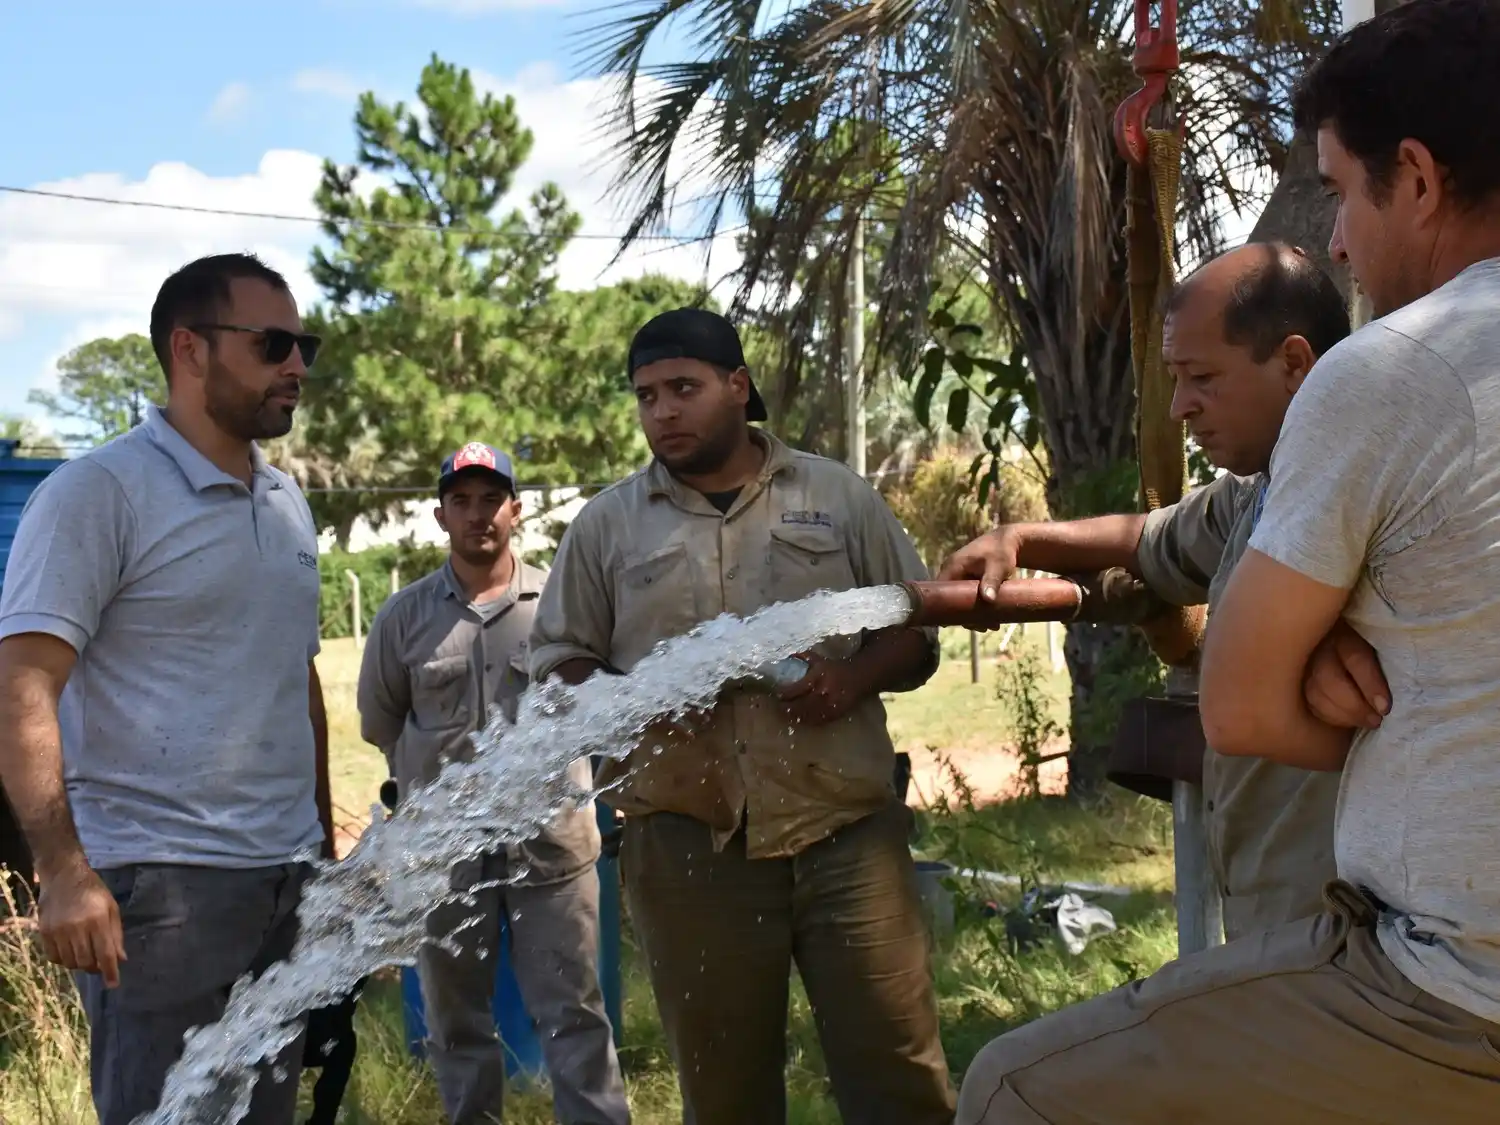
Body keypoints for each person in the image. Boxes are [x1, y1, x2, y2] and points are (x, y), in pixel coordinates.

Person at [955, 2, 1500, 1120]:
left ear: (1418, 178)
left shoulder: (1394, 371)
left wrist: (1313, 678)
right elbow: (1164, 540)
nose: (1342, 240)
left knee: (1014, 1087)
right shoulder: (1265, 492)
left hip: (1440, 980)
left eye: (1345, 192)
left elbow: (1238, 711)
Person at [528, 308, 957, 1125]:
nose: (663, 412)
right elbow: (559, 659)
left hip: (845, 831)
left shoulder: (836, 498)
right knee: (725, 1092)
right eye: (646, 396)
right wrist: (632, 698)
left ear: (738, 386)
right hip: (688, 841)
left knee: (900, 1075)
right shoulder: (607, 525)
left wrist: (851, 677)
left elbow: (918, 632)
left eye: (683, 388)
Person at [941, 241, 1376, 942]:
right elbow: (1149, 536)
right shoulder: (1253, 498)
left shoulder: (1374, 504)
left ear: (1295, 364)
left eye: (1201, 377)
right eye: (1175, 379)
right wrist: (1020, 539)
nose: (1179, 408)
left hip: (1348, 923)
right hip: (1271, 914)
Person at [0, 252, 332, 1125]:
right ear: (189, 349)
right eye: (272, 343)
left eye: (304, 345)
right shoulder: (99, 492)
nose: (296, 364)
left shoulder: (289, 503)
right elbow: (23, 682)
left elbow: (295, 683)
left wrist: (324, 854)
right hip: (160, 895)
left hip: (284, 883)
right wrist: (63, 870)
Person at [357, 442, 629, 1125]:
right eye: (461, 501)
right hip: (443, 857)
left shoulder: (564, 605)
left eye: (491, 500)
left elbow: (604, 710)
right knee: (455, 1021)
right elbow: (381, 722)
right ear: (441, 513)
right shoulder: (405, 618)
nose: (477, 515)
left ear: (517, 508)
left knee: (573, 1014)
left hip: (553, 849)